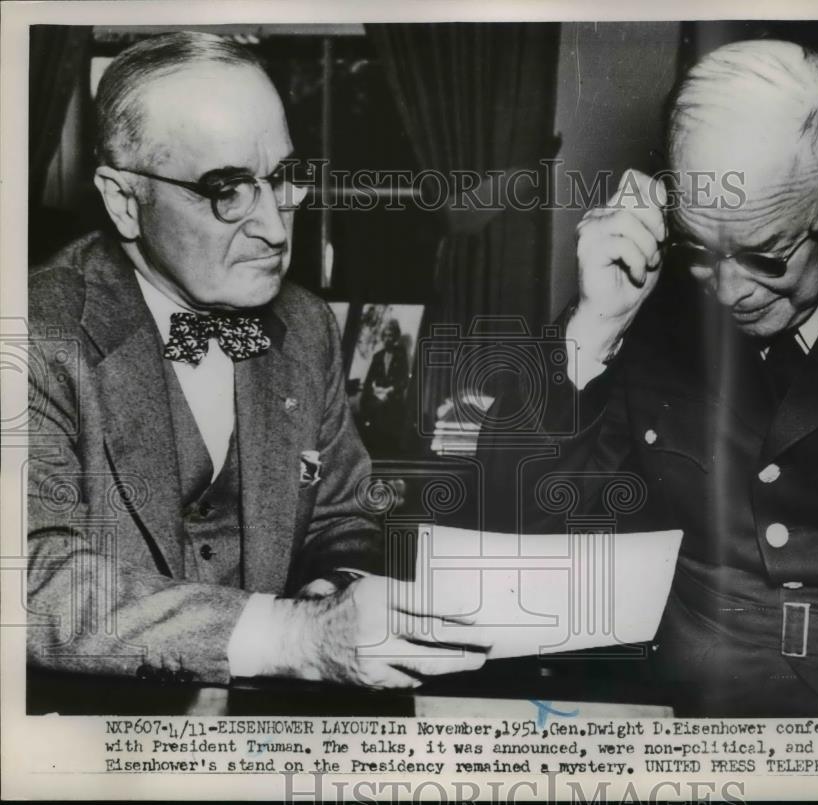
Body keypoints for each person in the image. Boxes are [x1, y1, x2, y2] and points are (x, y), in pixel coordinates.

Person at [479, 39, 818, 716]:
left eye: (766, 255)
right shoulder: (642, 306)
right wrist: (593, 326)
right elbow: (505, 514)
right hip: (695, 713)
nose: (728, 290)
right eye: (700, 250)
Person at [27, 32, 488, 688]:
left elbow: (343, 516)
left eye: (283, 178)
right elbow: (32, 576)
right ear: (124, 199)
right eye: (227, 190)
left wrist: (333, 596)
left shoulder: (304, 326)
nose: (275, 226)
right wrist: (295, 637)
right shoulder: (32, 334)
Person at [360, 319, 410, 455]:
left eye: (391, 335)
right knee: (373, 414)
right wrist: (374, 389)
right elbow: (370, 379)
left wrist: (390, 390)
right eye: (386, 335)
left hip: (393, 397)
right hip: (377, 396)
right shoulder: (378, 356)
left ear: (395, 337)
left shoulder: (401, 354)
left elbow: (404, 379)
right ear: (382, 337)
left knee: (389, 422)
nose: (388, 338)